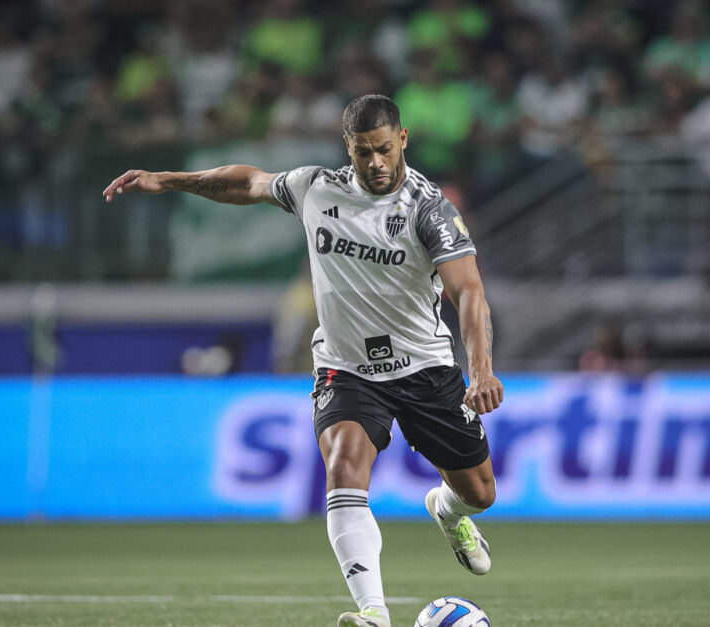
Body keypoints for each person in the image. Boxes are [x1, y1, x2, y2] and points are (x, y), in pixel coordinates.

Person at [102, 94, 503, 627]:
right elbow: (246, 183)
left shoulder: (429, 211)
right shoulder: (317, 188)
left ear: (402, 140)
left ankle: (448, 511)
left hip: (425, 366)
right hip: (347, 367)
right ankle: (374, 614)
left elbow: (470, 293)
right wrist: (169, 180)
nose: (376, 163)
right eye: (364, 153)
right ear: (349, 149)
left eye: (385, 149)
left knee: (480, 493)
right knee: (343, 470)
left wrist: (481, 370)